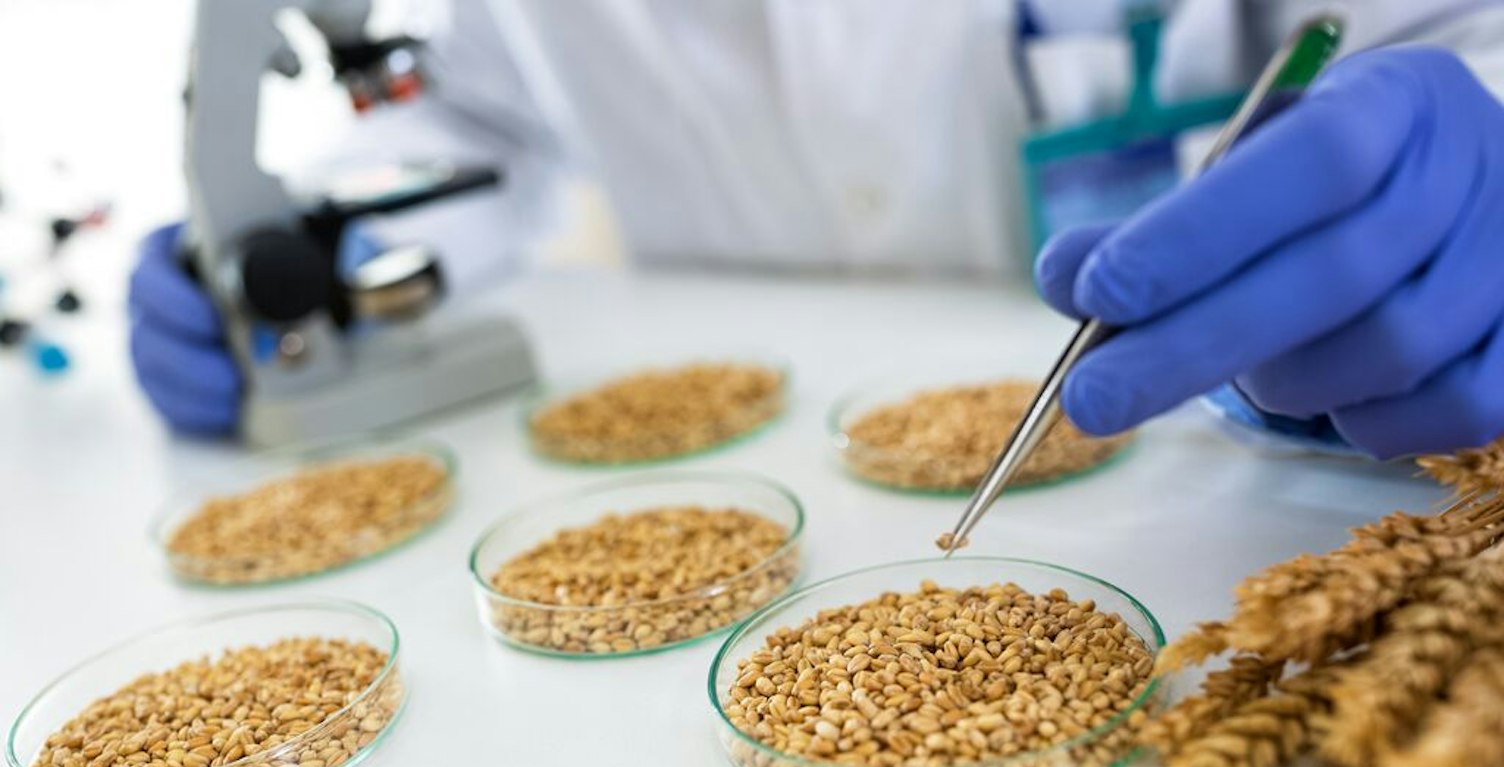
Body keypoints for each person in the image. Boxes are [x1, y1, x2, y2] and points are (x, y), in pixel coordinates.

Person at [131, 0, 1504, 459]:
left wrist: (1469, 145)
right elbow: (473, 119)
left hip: (1213, 471)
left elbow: (1433, 43)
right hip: (736, 402)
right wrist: (319, 245)